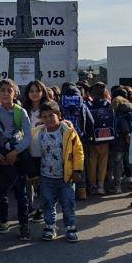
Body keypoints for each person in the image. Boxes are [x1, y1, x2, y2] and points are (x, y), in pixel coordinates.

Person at [29, 101, 84, 242]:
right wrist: (33, 174)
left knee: (68, 203)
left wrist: (77, 169)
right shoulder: (38, 133)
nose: (47, 119)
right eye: (44, 116)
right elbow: (33, 155)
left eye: (51, 116)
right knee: (47, 202)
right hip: (46, 176)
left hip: (66, 177)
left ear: (59, 115)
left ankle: (70, 227)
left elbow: (78, 151)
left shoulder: (68, 132)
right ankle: (50, 226)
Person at [0, 79, 32, 240]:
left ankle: (24, 224)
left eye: (8, 90)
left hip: (17, 156)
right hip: (0, 155)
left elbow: (27, 137)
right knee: (1, 191)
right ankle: (2, 222)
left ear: (15, 93)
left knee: (20, 192)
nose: (5, 93)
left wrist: (15, 152)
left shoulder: (21, 112)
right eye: (2, 90)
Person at [59, 84, 93, 200]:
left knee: (65, 162)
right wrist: (90, 135)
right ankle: (82, 190)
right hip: (79, 137)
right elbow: (90, 121)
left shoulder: (61, 104)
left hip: (64, 137)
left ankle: (66, 190)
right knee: (80, 162)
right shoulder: (82, 104)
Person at [84, 82, 116, 195]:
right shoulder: (108, 104)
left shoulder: (88, 104)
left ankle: (93, 185)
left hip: (93, 137)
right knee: (103, 162)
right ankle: (101, 185)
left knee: (92, 162)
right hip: (106, 136)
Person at [24, 80, 48, 220]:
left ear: (42, 92)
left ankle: (41, 208)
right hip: (27, 150)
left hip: (45, 151)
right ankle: (30, 206)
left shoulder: (48, 109)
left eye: (37, 90)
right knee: (28, 181)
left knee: (41, 182)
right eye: (31, 91)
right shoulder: (24, 110)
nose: (34, 94)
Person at [110, 89, 132, 193]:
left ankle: (117, 186)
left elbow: (123, 127)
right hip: (131, 142)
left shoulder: (119, 114)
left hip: (119, 142)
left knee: (117, 164)